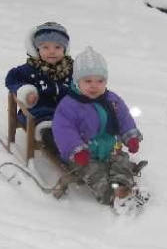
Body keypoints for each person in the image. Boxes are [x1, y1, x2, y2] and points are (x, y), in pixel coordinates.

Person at [52, 46, 149, 215]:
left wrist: (130, 137)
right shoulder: (69, 105)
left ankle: (124, 188)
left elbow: (124, 118)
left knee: (121, 163)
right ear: (77, 82)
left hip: (110, 148)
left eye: (99, 81)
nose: (94, 86)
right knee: (95, 173)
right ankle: (112, 196)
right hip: (84, 155)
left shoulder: (112, 100)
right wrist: (77, 150)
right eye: (88, 81)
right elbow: (64, 130)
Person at [5, 21, 73, 156]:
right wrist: (26, 91)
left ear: (64, 49)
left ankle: (93, 155)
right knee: (52, 133)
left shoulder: (73, 69)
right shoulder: (29, 69)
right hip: (40, 113)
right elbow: (12, 79)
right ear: (37, 49)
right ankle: (66, 156)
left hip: (68, 112)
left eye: (57, 47)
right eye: (45, 47)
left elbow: (87, 82)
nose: (51, 51)